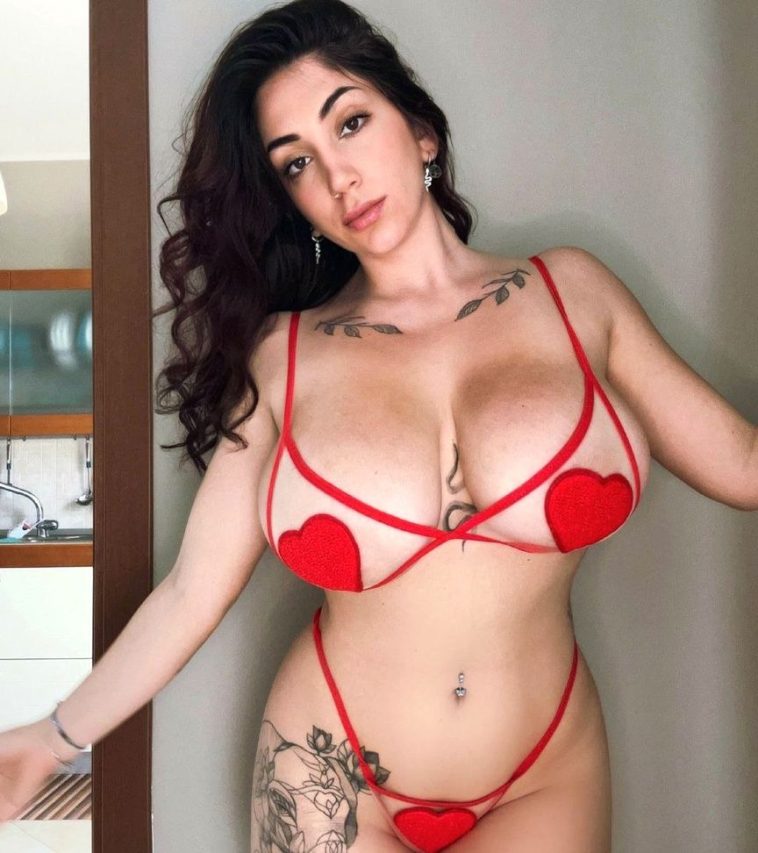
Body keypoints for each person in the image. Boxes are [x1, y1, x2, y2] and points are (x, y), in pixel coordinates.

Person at [1, 1, 756, 850]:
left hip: (545, 770)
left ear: (421, 131)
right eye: (298, 163)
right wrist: (50, 739)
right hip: (328, 774)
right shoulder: (282, 357)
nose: (339, 177)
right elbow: (190, 594)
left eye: (351, 122)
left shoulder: (574, 294)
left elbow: (744, 464)